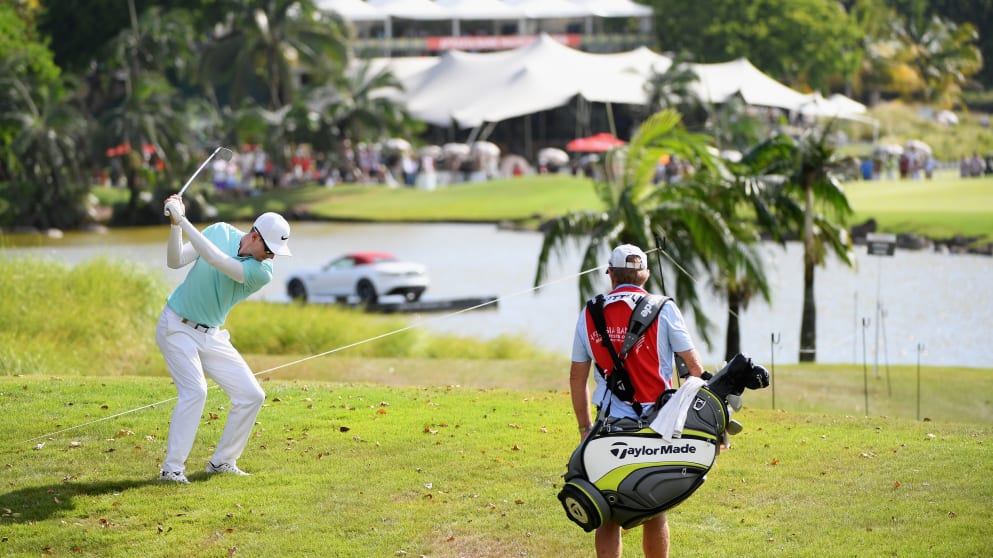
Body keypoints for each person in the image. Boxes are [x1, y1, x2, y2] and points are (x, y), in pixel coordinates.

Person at [569, 243, 704, 558]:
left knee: (607, 509)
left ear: (611, 274)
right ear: (644, 276)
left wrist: (584, 428)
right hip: (656, 428)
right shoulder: (664, 307)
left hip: (606, 426)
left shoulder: (590, 311)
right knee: (654, 508)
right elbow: (695, 370)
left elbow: (577, 378)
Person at [156, 194, 291, 484]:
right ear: (255, 237)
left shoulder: (262, 272)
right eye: (270, 250)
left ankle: (223, 462)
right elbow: (175, 260)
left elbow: (216, 259)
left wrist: (183, 219)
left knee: (252, 396)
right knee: (195, 391)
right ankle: (171, 469)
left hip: (211, 335)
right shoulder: (219, 231)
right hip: (177, 325)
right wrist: (175, 226)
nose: (273, 257)